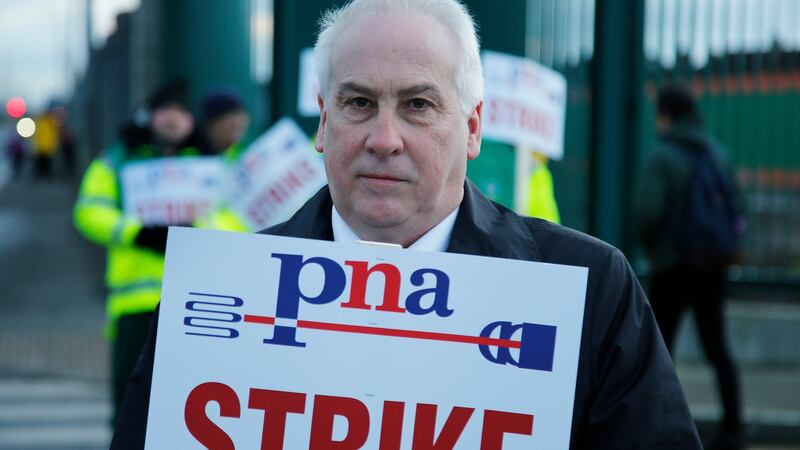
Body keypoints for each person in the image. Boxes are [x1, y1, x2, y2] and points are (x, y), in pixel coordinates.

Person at [112, 1, 702, 448]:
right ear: (323, 123)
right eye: (358, 103)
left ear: (472, 128)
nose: (384, 139)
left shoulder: (590, 290)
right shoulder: (217, 294)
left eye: (418, 105)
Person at [73, 79, 210, 424]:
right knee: (130, 405)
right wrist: (137, 232)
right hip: (135, 305)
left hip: (197, 302)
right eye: (166, 110)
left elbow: (235, 216)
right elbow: (88, 210)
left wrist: (196, 230)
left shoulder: (208, 161)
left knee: (186, 404)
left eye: (181, 111)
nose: (173, 118)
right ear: (150, 116)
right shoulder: (119, 159)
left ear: (191, 119)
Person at [635, 83, 745, 450]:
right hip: (712, 266)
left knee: (658, 350)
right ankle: (734, 428)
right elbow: (738, 207)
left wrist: (653, 247)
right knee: (717, 346)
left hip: (672, 266)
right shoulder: (718, 153)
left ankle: (655, 429)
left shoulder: (662, 155)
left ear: (666, 115)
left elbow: (648, 211)